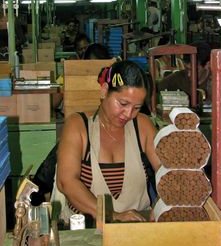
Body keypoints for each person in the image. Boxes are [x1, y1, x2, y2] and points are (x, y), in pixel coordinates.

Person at [56, 60, 161, 223]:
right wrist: (112, 215)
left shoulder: (142, 125)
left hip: (138, 226)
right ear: (104, 91)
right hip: (86, 228)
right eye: (123, 103)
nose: (128, 114)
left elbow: (166, 170)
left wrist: (163, 200)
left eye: (137, 107)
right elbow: (66, 182)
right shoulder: (79, 126)